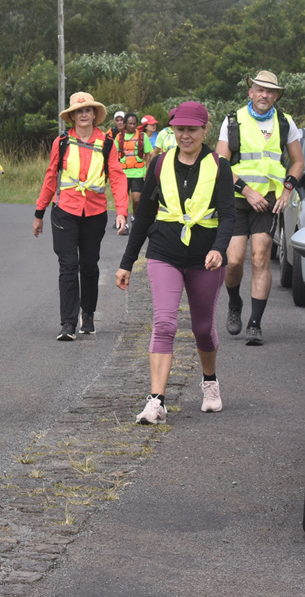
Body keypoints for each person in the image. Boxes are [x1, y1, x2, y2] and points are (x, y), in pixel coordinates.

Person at [115, 101, 236, 424]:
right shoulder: (159, 164)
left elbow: (228, 216)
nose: (185, 135)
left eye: (192, 129)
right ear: (173, 129)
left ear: (204, 130)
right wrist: (127, 262)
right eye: (179, 129)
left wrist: (220, 249)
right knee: (165, 323)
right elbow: (143, 218)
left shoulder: (220, 167)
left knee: (201, 329)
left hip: (205, 258)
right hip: (163, 252)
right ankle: (156, 400)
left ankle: (210, 382)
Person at [216, 70, 304, 345]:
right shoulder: (233, 121)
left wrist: (288, 189)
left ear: (276, 96)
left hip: (268, 201)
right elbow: (220, 163)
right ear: (250, 92)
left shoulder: (285, 122)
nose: (264, 94)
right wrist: (247, 190)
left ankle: (255, 324)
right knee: (234, 261)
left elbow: (298, 162)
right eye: (259, 89)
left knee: (260, 257)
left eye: (270, 91)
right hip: (237, 199)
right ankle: (234, 304)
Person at [33, 92, 129, 341]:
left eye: (88, 110)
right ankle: (67, 323)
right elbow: (51, 176)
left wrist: (121, 211)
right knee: (68, 266)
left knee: (88, 265)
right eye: (79, 111)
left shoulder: (107, 143)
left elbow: (117, 177)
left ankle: (88, 315)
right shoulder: (62, 141)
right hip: (65, 210)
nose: (84, 114)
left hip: (95, 213)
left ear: (95, 114)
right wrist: (39, 211)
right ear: (72, 116)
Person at [115, 112, 153, 233]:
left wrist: (147, 170)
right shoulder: (119, 137)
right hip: (123, 173)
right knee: (123, 199)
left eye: (134, 124)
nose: (132, 126)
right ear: (125, 124)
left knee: (137, 199)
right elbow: (114, 156)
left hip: (138, 172)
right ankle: (123, 223)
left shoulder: (142, 136)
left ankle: (135, 216)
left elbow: (148, 154)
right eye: (130, 123)